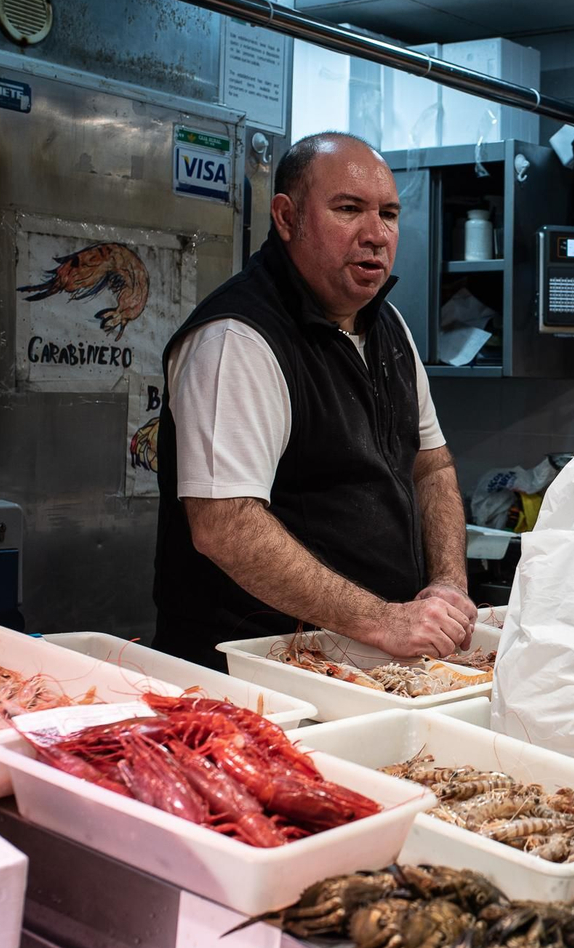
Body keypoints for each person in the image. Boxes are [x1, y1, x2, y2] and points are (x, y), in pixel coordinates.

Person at [152, 132, 476, 670]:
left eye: (389, 214)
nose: (375, 235)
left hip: (364, 665)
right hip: (253, 673)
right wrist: (383, 620)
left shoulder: (389, 327)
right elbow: (225, 525)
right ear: (286, 217)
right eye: (348, 209)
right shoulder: (238, 338)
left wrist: (447, 584)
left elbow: (431, 464)